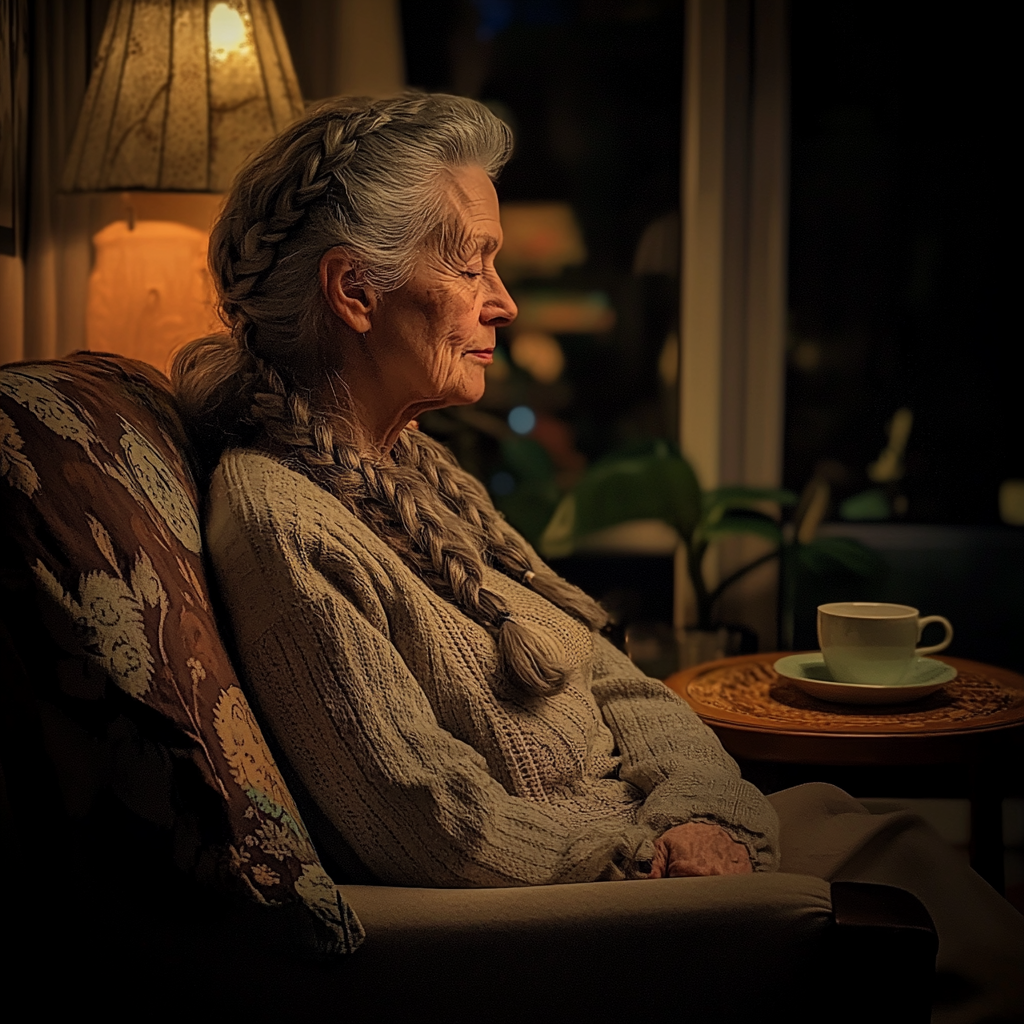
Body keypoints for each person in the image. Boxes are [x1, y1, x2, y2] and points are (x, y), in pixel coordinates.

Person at [173, 93, 1021, 1018]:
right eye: (472, 264)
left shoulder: (409, 470)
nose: (504, 302)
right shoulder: (278, 522)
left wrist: (699, 806)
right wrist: (649, 858)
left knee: (898, 840)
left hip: (664, 837)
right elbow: (423, 819)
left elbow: (613, 679)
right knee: (953, 921)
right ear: (352, 292)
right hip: (609, 903)